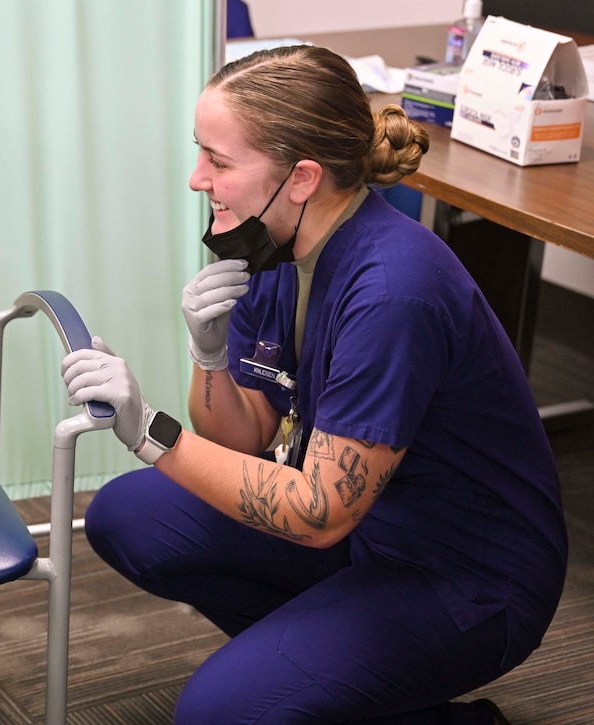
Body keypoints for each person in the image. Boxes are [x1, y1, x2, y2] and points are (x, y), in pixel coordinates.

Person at [61, 45, 566, 725]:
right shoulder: (273, 242)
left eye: (219, 160)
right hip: (370, 534)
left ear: (301, 177)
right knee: (130, 516)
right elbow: (246, 435)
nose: (196, 178)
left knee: (215, 713)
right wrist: (209, 354)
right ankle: (329, 673)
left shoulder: (391, 291)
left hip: (467, 576)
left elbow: (317, 511)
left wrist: (150, 430)